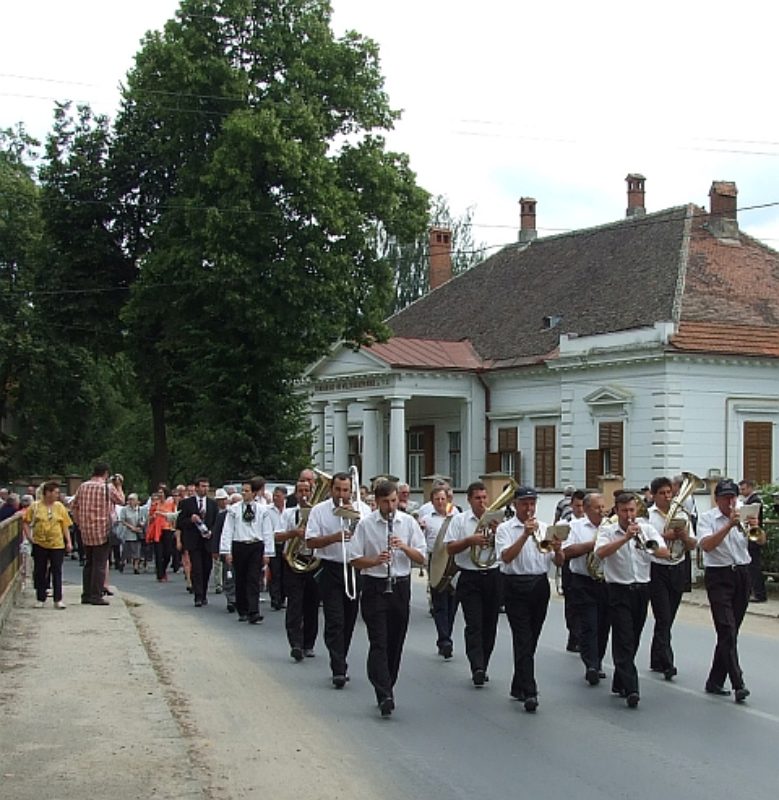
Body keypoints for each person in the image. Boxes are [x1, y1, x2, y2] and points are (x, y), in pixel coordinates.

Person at [350, 479, 426, 717]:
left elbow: (422, 557)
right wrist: (375, 560)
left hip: (400, 586)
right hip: (374, 586)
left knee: (396, 641)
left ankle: (388, 682)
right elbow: (354, 558)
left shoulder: (408, 522)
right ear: (377, 502)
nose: (391, 506)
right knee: (379, 641)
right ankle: (384, 693)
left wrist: (403, 547)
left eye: (394, 501)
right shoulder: (366, 524)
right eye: (386, 502)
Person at [595, 492, 668, 708]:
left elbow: (664, 552)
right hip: (618, 589)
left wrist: (647, 544)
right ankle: (632, 688)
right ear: (617, 511)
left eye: (632, 510)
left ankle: (620, 680)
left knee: (634, 637)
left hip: (642, 589)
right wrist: (624, 538)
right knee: (624, 637)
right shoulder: (608, 530)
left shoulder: (646, 529)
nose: (629, 515)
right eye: (624, 510)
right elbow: (600, 553)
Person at [496, 486, 564, 712]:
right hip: (514, 585)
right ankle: (530, 691)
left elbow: (558, 562)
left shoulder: (545, 528)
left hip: (539, 585)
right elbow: (505, 557)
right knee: (523, 637)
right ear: (515, 505)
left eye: (532, 503)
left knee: (532, 638)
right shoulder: (505, 529)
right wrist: (524, 535)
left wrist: (559, 549)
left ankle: (518, 684)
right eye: (525, 503)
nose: (529, 508)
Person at [698, 478, 762, 702]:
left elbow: (759, 541)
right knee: (726, 629)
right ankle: (738, 683)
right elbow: (706, 545)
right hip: (719, 575)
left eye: (733, 497)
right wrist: (728, 526)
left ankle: (715, 680)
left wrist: (753, 527)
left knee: (731, 632)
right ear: (717, 500)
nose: (730, 502)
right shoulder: (707, 519)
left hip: (741, 574)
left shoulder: (744, 514)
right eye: (725, 498)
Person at [305, 471, 370, 688]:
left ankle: (341, 657)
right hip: (331, 568)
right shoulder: (319, 511)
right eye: (338, 490)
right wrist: (333, 538)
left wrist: (356, 520)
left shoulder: (363, 509)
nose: (342, 495)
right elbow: (311, 542)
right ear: (331, 489)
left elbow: (369, 539)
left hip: (354, 568)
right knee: (335, 619)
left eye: (346, 490)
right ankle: (338, 668)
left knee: (350, 620)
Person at [443, 480, 502, 687]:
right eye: (478, 498)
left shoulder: (496, 520)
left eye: (485, 497)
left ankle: (483, 663)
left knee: (490, 625)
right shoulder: (459, 520)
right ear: (469, 500)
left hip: (492, 574)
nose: (482, 502)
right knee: (474, 624)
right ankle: (476, 666)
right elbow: (450, 549)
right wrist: (470, 541)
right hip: (470, 576)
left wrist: (498, 533)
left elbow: (506, 548)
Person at [646, 476, 697, 680]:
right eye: (663, 493)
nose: (668, 497)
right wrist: (664, 537)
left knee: (668, 619)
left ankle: (656, 658)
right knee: (663, 616)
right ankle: (667, 662)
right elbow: (645, 541)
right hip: (657, 569)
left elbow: (693, 544)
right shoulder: (647, 516)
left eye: (669, 492)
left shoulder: (682, 514)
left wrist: (683, 536)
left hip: (677, 568)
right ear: (654, 495)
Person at [562, 492, 610, 687]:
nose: (601, 511)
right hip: (583, 580)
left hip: (606, 581)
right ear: (587, 509)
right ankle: (590, 664)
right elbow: (567, 552)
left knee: (603, 625)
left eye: (602, 507)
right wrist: (594, 545)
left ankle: (597, 661)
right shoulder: (575, 526)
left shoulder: (610, 527)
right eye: (597, 508)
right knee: (589, 624)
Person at [277, 478, 320, 661]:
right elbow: (277, 536)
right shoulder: (288, 514)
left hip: (313, 563)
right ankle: (295, 644)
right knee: (294, 605)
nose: (304, 495)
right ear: (295, 494)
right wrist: (294, 533)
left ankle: (308, 644)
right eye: (300, 491)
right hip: (292, 563)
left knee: (312, 606)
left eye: (307, 491)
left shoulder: (318, 514)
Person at [70, 464, 125, 606]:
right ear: (106, 473)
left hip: (86, 530)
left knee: (89, 562)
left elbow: (74, 505)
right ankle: (96, 594)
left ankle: (86, 594)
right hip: (102, 529)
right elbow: (121, 501)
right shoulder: (107, 487)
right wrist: (119, 486)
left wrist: (79, 522)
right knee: (100, 563)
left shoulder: (83, 486)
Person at [220, 481, 274, 623]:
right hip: (239, 545)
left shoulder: (263, 510)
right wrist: (227, 551)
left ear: (254, 493)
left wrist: (268, 552)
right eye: (242, 491)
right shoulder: (234, 510)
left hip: (255, 545)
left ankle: (253, 611)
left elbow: (267, 531)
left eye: (247, 491)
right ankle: (242, 609)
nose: (244, 493)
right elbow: (228, 530)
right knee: (241, 578)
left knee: (253, 578)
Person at [419, 486, 457, 659]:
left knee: (452, 601)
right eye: (437, 500)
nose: (440, 502)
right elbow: (420, 540)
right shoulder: (427, 518)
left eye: (443, 499)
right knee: (439, 599)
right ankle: (444, 639)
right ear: (432, 501)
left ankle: (446, 634)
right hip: (435, 559)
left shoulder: (456, 516)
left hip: (453, 559)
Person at [22, 480, 73, 609]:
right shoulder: (35, 506)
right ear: (48, 493)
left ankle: (58, 599)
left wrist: (69, 542)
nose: (58, 495)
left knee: (57, 570)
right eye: (56, 492)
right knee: (40, 570)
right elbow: (25, 521)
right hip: (40, 543)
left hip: (57, 544)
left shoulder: (59, 507)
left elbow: (65, 525)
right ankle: (40, 597)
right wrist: (29, 537)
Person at [176, 477, 219, 607]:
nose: (204, 489)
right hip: (193, 541)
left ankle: (204, 593)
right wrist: (191, 520)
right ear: (196, 487)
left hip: (207, 540)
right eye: (202, 486)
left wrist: (211, 532)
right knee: (197, 568)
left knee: (207, 567)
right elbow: (180, 523)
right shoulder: (187, 503)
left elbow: (216, 522)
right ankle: (198, 596)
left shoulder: (212, 504)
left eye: (207, 486)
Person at [560, 489, 586, 652]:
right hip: (569, 565)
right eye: (577, 505)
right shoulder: (565, 522)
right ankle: (573, 635)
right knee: (571, 602)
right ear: (571, 505)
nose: (581, 509)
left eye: (584, 506)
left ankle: (582, 635)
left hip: (585, 567)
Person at [738, 479, 766, 603]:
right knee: (751, 567)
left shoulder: (754, 501)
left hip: (754, 535)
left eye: (743, 489)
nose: (741, 491)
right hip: (751, 535)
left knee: (754, 567)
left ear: (750, 488)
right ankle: (753, 591)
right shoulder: (749, 500)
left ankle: (759, 593)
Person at [266, 485, 289, 610]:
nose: (275, 498)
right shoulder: (267, 510)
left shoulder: (289, 510)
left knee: (285, 572)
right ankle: (275, 599)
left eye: (278, 496)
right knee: (275, 573)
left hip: (286, 544)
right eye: (274, 495)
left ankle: (283, 597)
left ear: (284, 497)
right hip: (273, 543)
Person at [119, 493, 145, 574]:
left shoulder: (140, 509)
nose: (131, 501)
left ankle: (136, 567)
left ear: (137, 501)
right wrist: (131, 527)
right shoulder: (124, 509)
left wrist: (140, 525)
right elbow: (122, 521)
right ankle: (122, 562)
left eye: (133, 499)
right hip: (127, 532)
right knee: (126, 550)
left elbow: (143, 520)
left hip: (137, 533)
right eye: (129, 499)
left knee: (136, 550)